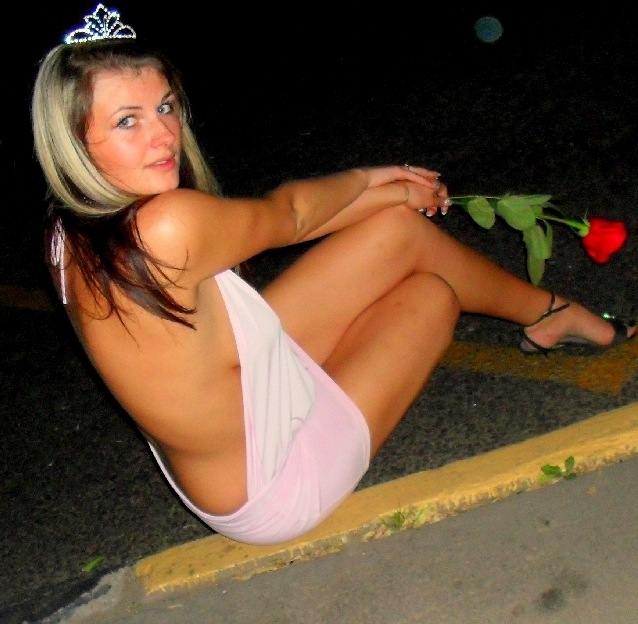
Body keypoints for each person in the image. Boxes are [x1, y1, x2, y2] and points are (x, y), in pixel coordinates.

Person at [31, 5, 635, 546]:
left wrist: (395, 194)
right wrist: (374, 178)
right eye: (127, 121)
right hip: (272, 480)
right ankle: (552, 317)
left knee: (399, 230)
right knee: (430, 294)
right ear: (75, 142)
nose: (163, 134)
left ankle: (552, 315)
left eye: (164, 107)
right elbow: (289, 215)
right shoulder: (164, 226)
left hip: (239, 396)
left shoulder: (68, 231)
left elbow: (288, 219)